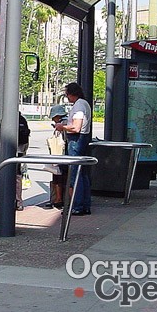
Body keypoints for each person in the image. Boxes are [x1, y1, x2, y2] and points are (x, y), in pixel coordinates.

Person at [55, 82, 92, 215]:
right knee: (82, 174)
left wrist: (62, 127)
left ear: (71, 94)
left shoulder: (79, 106)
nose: (67, 97)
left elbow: (76, 127)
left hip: (76, 140)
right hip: (83, 138)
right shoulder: (84, 103)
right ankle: (85, 204)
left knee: (75, 174)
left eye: (67, 94)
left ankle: (77, 206)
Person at [47, 104, 69, 209]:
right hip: (65, 153)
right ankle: (59, 199)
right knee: (60, 176)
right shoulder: (67, 121)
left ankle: (58, 199)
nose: (53, 119)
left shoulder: (62, 124)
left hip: (61, 154)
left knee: (58, 176)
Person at [15, 111, 31, 211]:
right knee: (18, 176)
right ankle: (19, 202)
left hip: (13, 151)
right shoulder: (22, 119)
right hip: (20, 150)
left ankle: (16, 201)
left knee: (15, 176)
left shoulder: (11, 120)